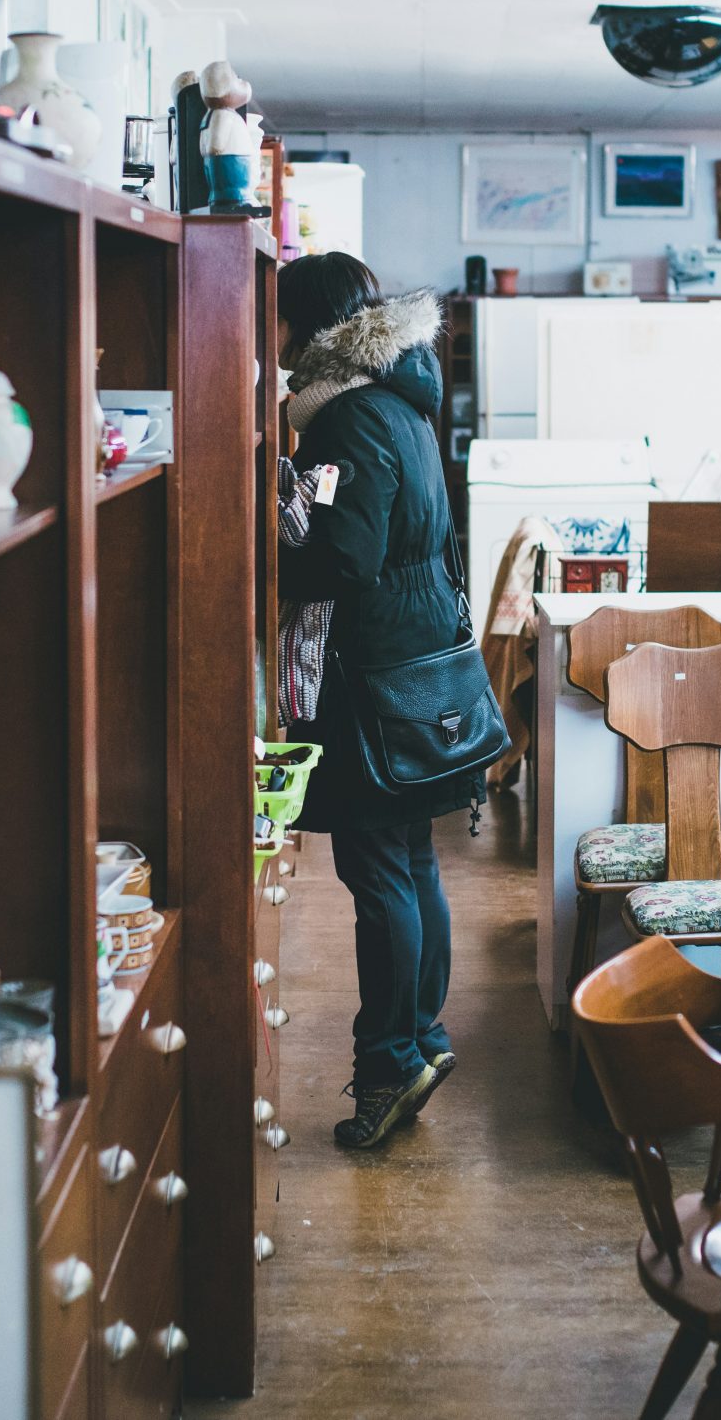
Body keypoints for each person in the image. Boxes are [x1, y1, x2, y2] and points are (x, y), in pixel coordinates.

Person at [276, 253, 466, 1151]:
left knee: (380, 871)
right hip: (421, 667)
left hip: (372, 675)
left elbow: (343, 558)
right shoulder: (405, 402)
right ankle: (422, 1035)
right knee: (412, 861)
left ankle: (389, 1065)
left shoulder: (345, 418)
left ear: (306, 329)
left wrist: (264, 552)